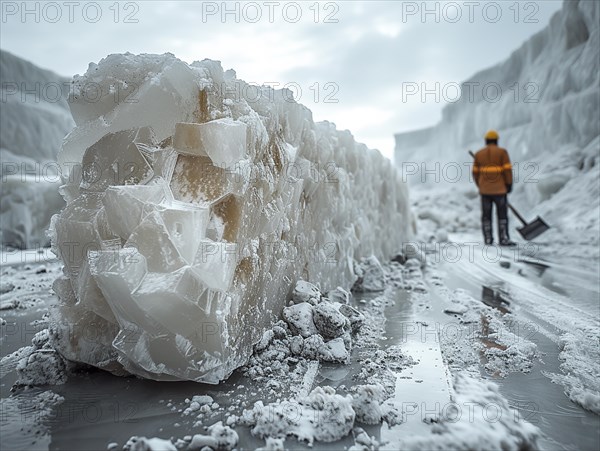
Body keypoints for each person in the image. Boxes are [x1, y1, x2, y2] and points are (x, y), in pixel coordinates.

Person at [472, 130, 516, 246]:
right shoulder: (502, 152)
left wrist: (480, 185)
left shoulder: (479, 154)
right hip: (500, 190)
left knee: (486, 215)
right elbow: (507, 170)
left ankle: (488, 239)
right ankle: (503, 238)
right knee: (502, 215)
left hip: (485, 191)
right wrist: (509, 184)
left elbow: (475, 173)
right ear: (496, 140)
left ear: (486, 141)